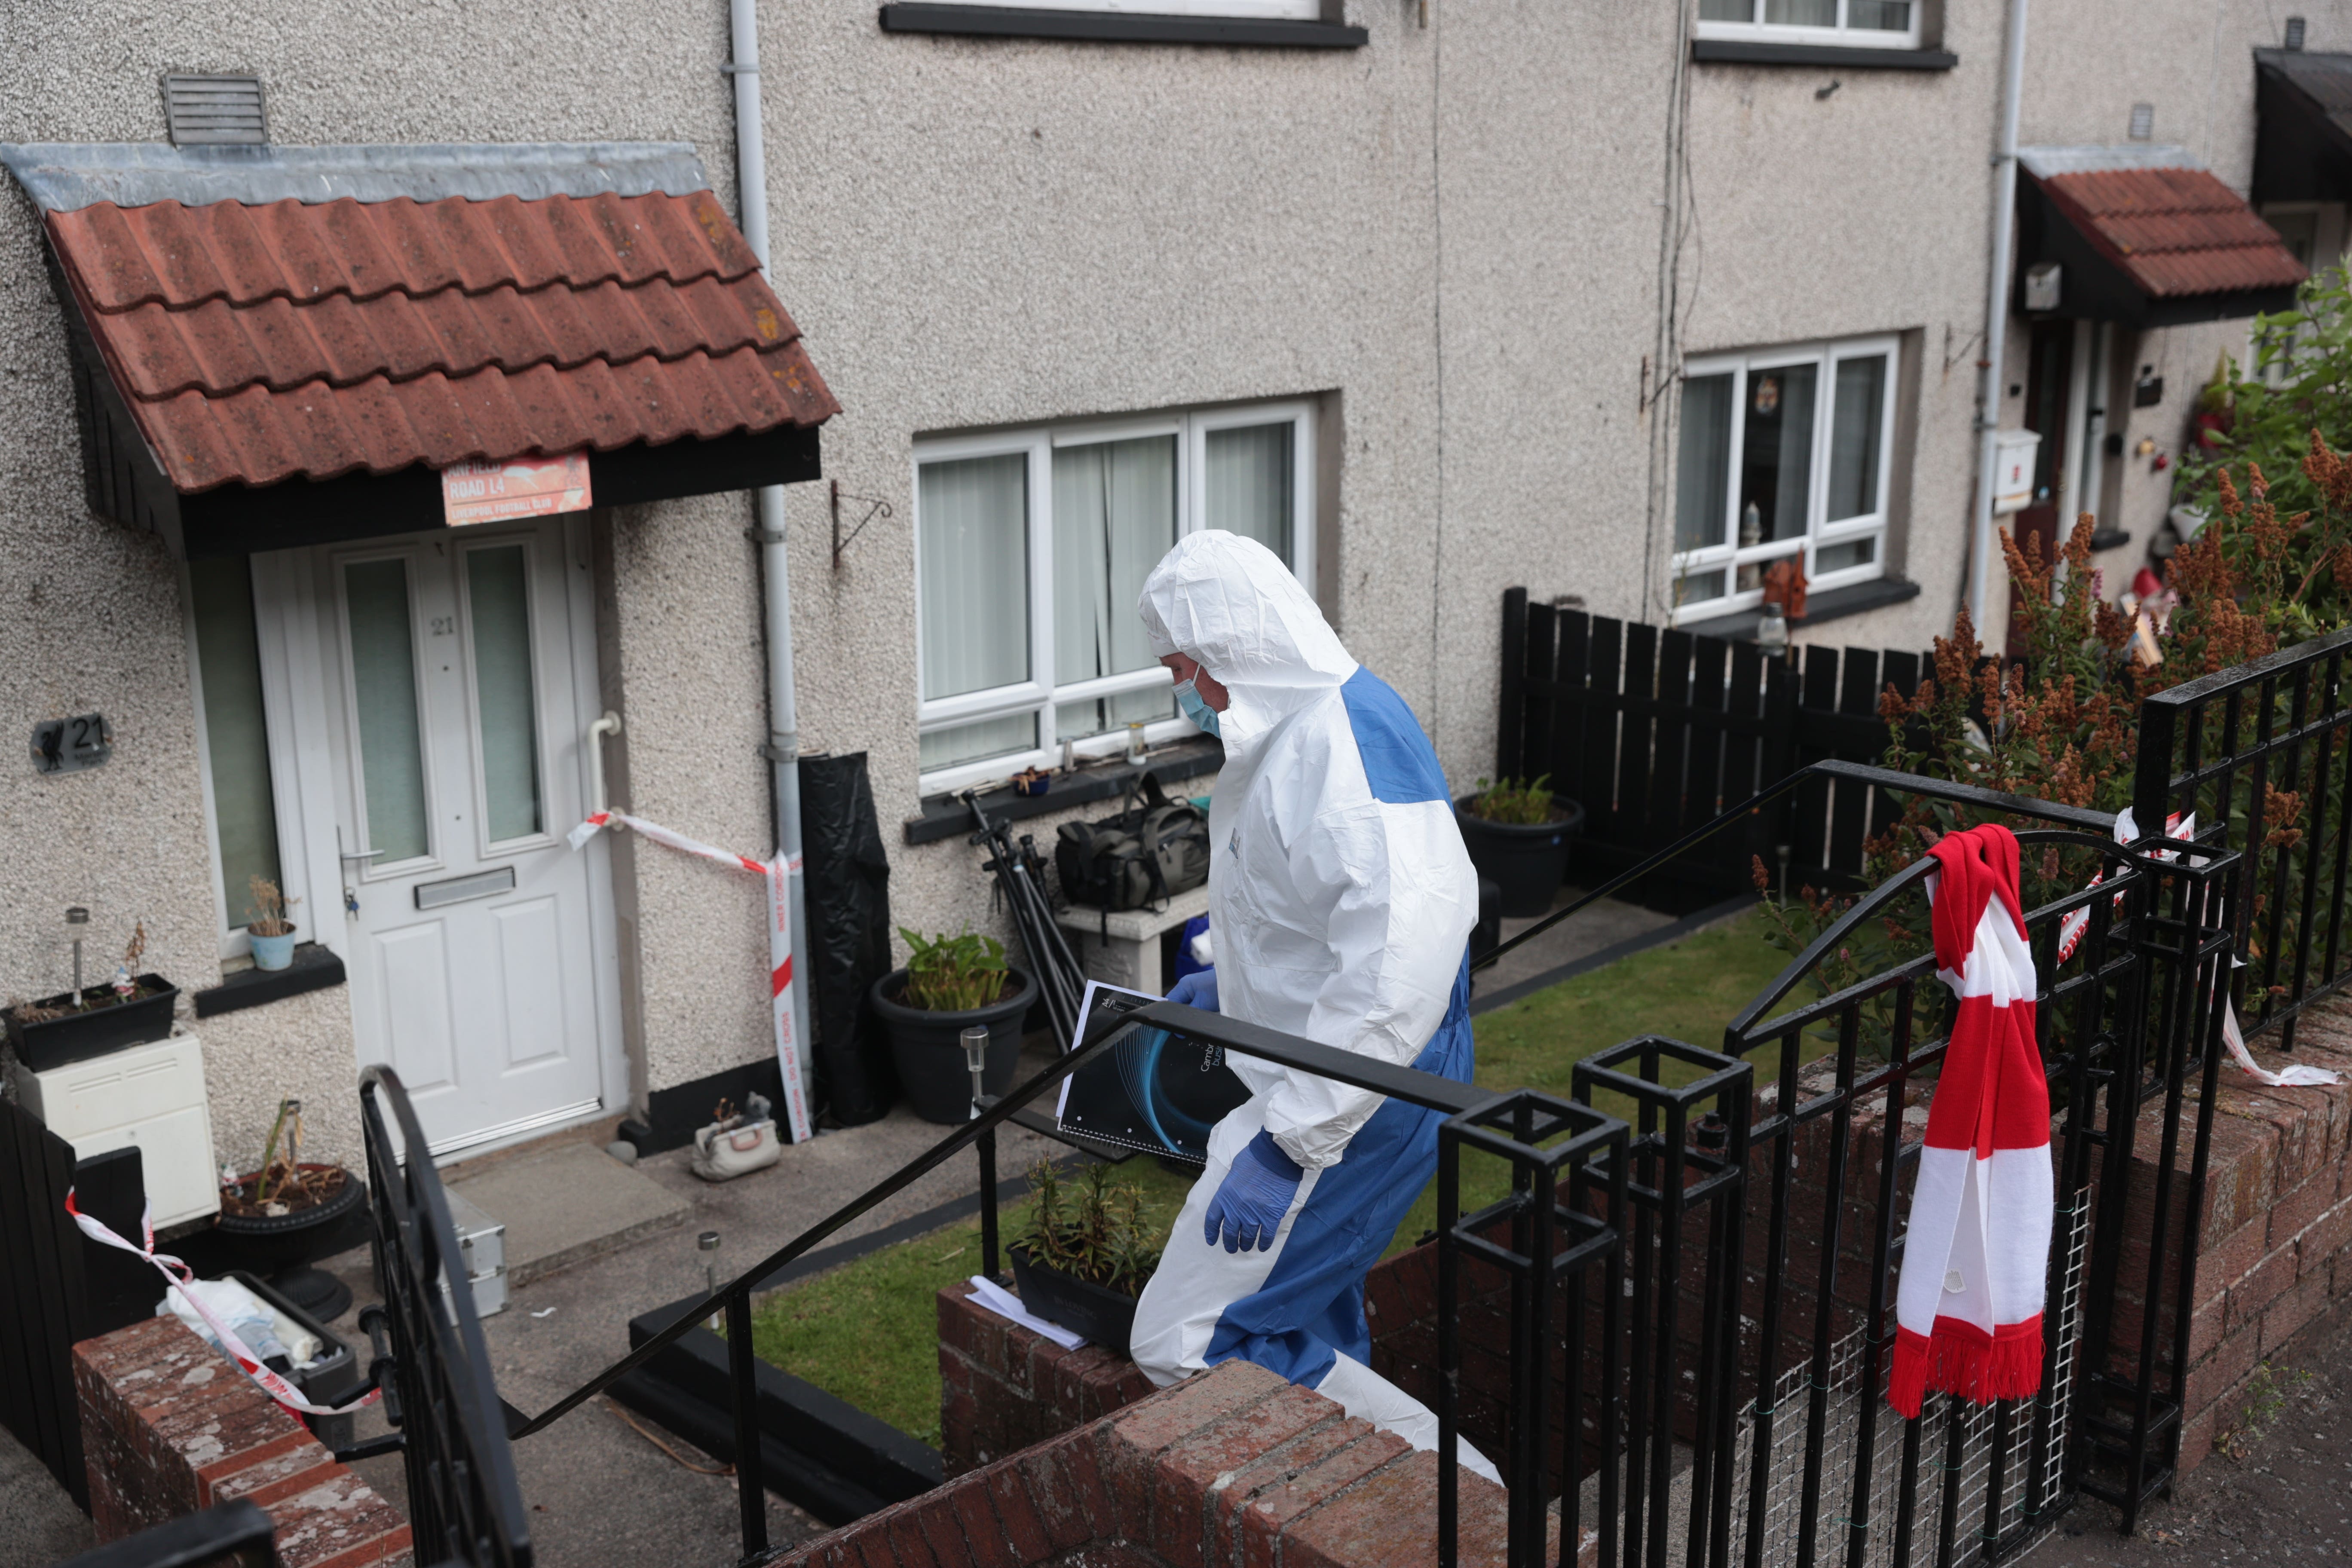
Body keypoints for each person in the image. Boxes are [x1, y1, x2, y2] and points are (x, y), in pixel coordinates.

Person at [1125, 529, 1496, 1481]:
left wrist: (1290, 1144)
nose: (1184, 693)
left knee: (1189, 1341)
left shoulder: (1341, 748)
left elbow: (1398, 972)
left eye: (1184, 668)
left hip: (1356, 1098)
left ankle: (1452, 1492)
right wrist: (1233, 988)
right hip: (1323, 1078)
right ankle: (1353, 1519)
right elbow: (1309, 910)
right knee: (1296, 1316)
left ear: (1231, 651)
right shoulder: (1293, 728)